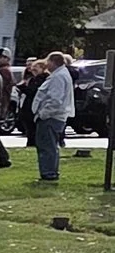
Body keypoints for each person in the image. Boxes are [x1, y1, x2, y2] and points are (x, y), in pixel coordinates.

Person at [31, 47, 76, 184]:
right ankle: (50, 171)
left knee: (47, 146)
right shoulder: (60, 74)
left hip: (51, 117)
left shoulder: (59, 77)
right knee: (50, 145)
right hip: (54, 116)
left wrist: (43, 114)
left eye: (48, 62)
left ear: (53, 62)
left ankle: (49, 173)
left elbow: (55, 100)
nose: (46, 65)